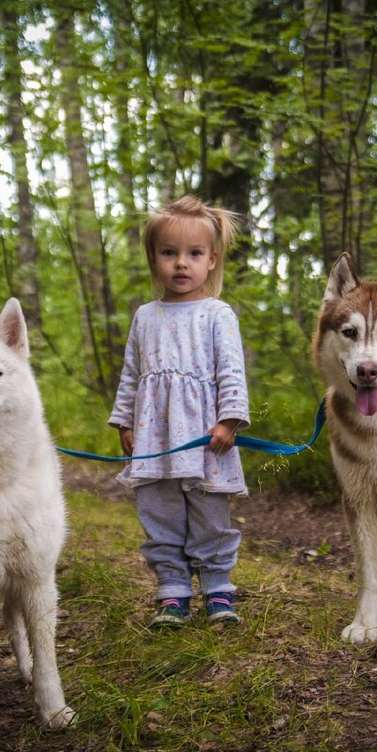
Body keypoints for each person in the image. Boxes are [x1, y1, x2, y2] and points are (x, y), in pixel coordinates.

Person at [108, 195, 250, 628]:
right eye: (169, 253)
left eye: (194, 254)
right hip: (155, 440)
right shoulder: (145, 317)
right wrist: (126, 423)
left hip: (206, 438)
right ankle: (172, 590)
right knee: (160, 513)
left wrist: (229, 420)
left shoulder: (217, 315)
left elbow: (231, 372)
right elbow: (132, 373)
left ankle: (217, 589)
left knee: (210, 515)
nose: (181, 264)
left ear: (212, 260)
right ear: (153, 258)